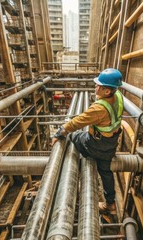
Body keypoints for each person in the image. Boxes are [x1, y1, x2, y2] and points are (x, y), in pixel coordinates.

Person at [51, 68, 123, 214]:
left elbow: (76, 122)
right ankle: (110, 204)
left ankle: (75, 163)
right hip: (111, 145)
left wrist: (60, 133)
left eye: (98, 85)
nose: (95, 86)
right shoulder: (119, 96)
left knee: (74, 136)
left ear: (107, 91)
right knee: (105, 172)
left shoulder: (99, 108)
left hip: (96, 145)